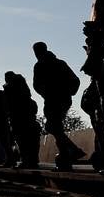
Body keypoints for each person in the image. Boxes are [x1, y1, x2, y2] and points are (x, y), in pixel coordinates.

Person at [31, 42, 85, 170]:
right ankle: (68, 153)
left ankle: (69, 153)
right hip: (61, 99)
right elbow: (75, 80)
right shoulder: (60, 63)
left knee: (53, 126)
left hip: (54, 100)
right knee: (55, 127)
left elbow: (37, 85)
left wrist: (49, 93)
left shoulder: (41, 65)